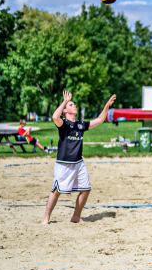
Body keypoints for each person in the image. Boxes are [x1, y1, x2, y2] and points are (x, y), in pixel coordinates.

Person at [41, 90, 116, 224]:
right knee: (56, 191)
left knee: (86, 189)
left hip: (78, 162)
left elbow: (99, 120)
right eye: (71, 105)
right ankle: (46, 217)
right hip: (64, 163)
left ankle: (76, 216)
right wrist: (65, 101)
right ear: (65, 110)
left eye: (73, 104)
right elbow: (54, 117)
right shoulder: (63, 124)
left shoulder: (80, 125)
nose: (74, 106)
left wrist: (107, 105)